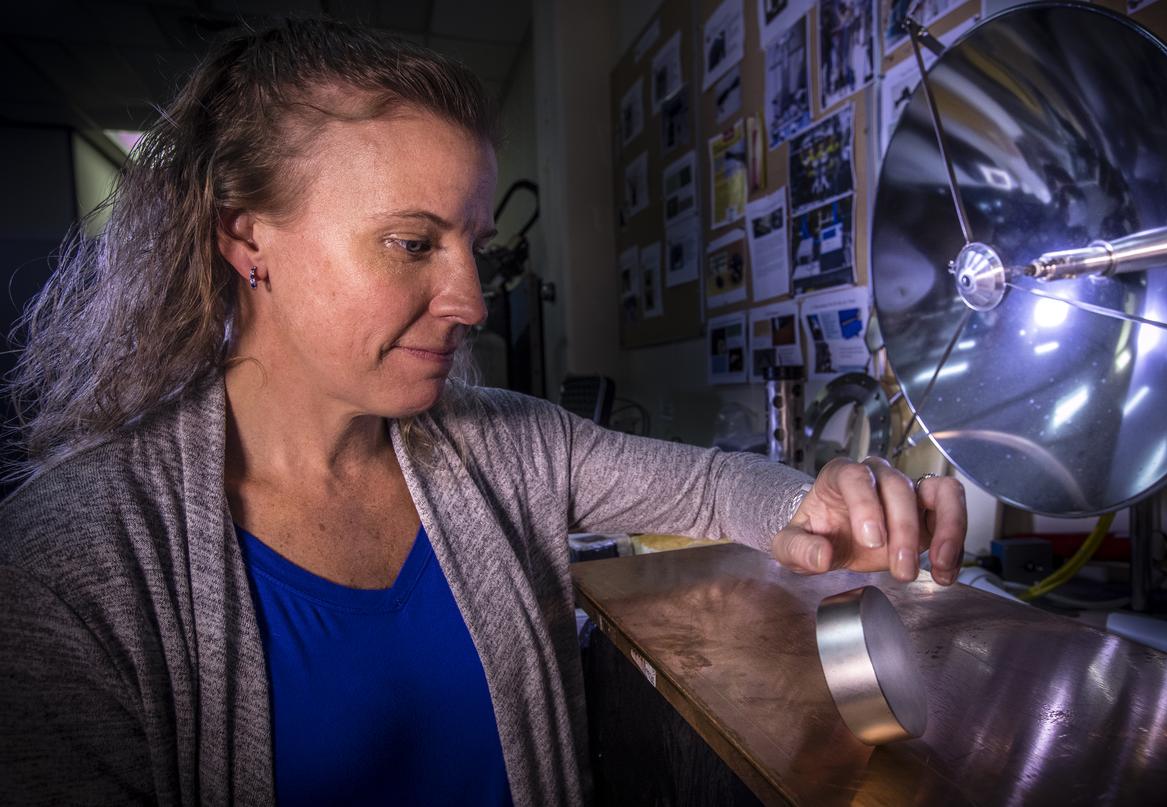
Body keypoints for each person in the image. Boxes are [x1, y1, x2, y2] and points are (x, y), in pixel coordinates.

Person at [0, 18, 966, 806]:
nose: (472, 298)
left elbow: (719, 485)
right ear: (249, 240)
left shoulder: (514, 444)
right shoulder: (72, 559)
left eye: (471, 242)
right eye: (412, 243)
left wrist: (823, 505)